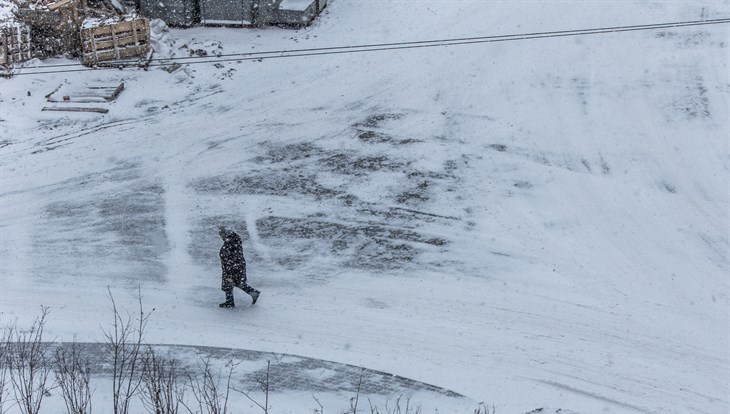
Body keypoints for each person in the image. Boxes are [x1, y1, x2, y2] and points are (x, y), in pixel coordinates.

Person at [218, 227, 260, 308]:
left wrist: (229, 273)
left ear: (224, 234)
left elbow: (229, 259)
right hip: (238, 266)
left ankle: (230, 302)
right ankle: (253, 293)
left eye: (221, 235)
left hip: (233, 267)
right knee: (236, 282)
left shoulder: (229, 244)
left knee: (230, 283)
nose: (221, 238)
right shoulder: (234, 240)